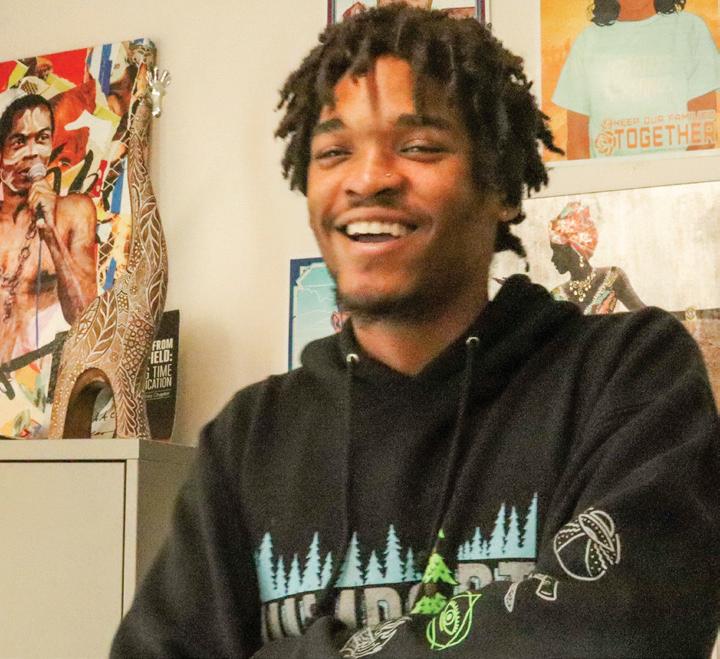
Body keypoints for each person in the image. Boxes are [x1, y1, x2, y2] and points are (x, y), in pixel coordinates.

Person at [112, 5, 720, 657]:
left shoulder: (626, 378)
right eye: (334, 152)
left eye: (419, 146)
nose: (368, 179)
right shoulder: (249, 438)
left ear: (502, 185)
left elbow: (620, 634)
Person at [553, 0, 720, 159]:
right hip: (609, 177)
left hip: (681, 175)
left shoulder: (690, 29)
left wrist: (680, 177)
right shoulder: (587, 41)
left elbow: (702, 132)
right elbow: (577, 142)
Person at [0, 93, 96, 365]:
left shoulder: (74, 212)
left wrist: (51, 233)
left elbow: (86, 318)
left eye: (42, 139)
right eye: (19, 142)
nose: (32, 153)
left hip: (41, 375)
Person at [548, 201, 644, 314]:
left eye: (556, 251)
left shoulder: (612, 277)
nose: (552, 259)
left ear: (573, 249)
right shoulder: (557, 296)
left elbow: (646, 317)